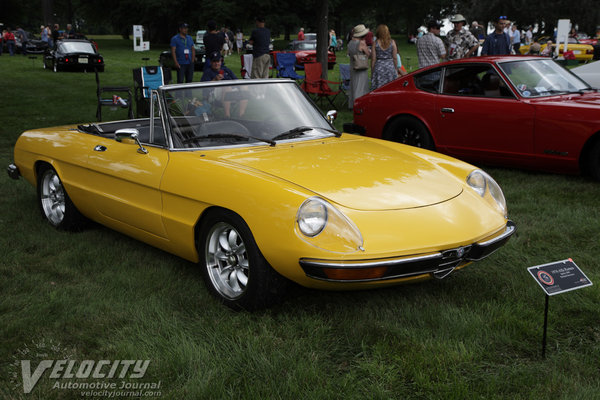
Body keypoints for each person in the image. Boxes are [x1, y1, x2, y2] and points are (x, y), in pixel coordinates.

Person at [347, 24, 371, 109]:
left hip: (353, 66)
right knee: (361, 86)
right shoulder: (362, 43)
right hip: (361, 67)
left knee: (354, 85)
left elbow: (349, 54)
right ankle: (359, 104)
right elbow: (368, 54)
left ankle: (353, 104)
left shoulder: (350, 43)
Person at [371, 24, 398, 90]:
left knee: (379, 88)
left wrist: (372, 70)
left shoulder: (375, 43)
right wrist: (395, 68)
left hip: (379, 67)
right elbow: (395, 57)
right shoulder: (392, 42)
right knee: (390, 87)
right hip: (390, 66)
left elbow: (373, 59)